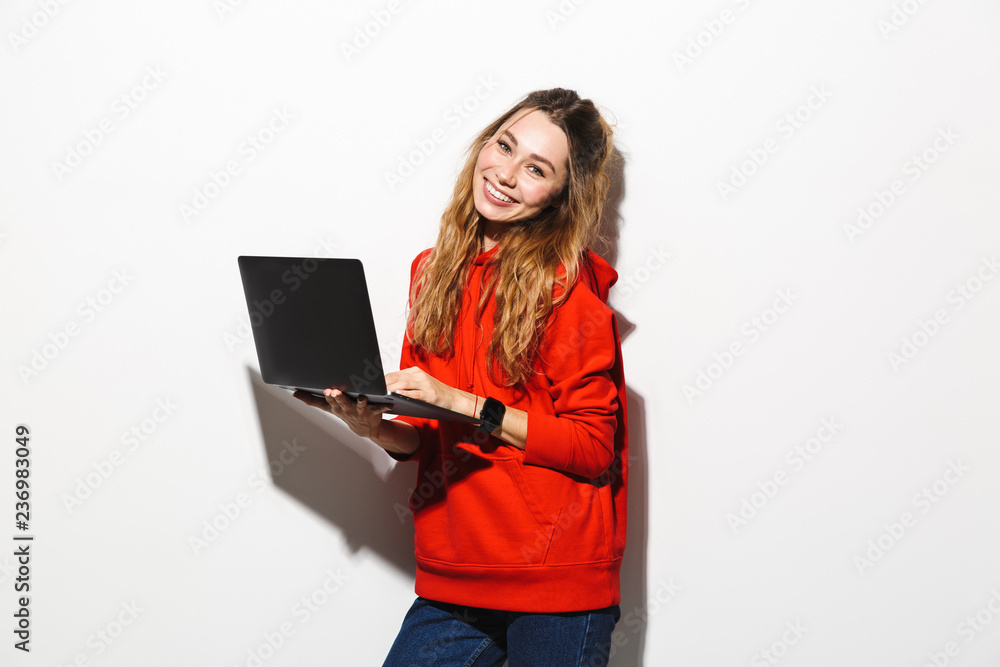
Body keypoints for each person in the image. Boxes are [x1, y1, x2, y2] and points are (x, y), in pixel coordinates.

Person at [296, 87, 628, 666]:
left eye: (537, 169)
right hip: (455, 573)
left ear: (560, 196)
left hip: (556, 582)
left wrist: (467, 403)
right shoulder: (432, 272)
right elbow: (426, 435)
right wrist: (372, 425)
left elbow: (595, 447)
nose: (506, 174)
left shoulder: (569, 294)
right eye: (505, 146)